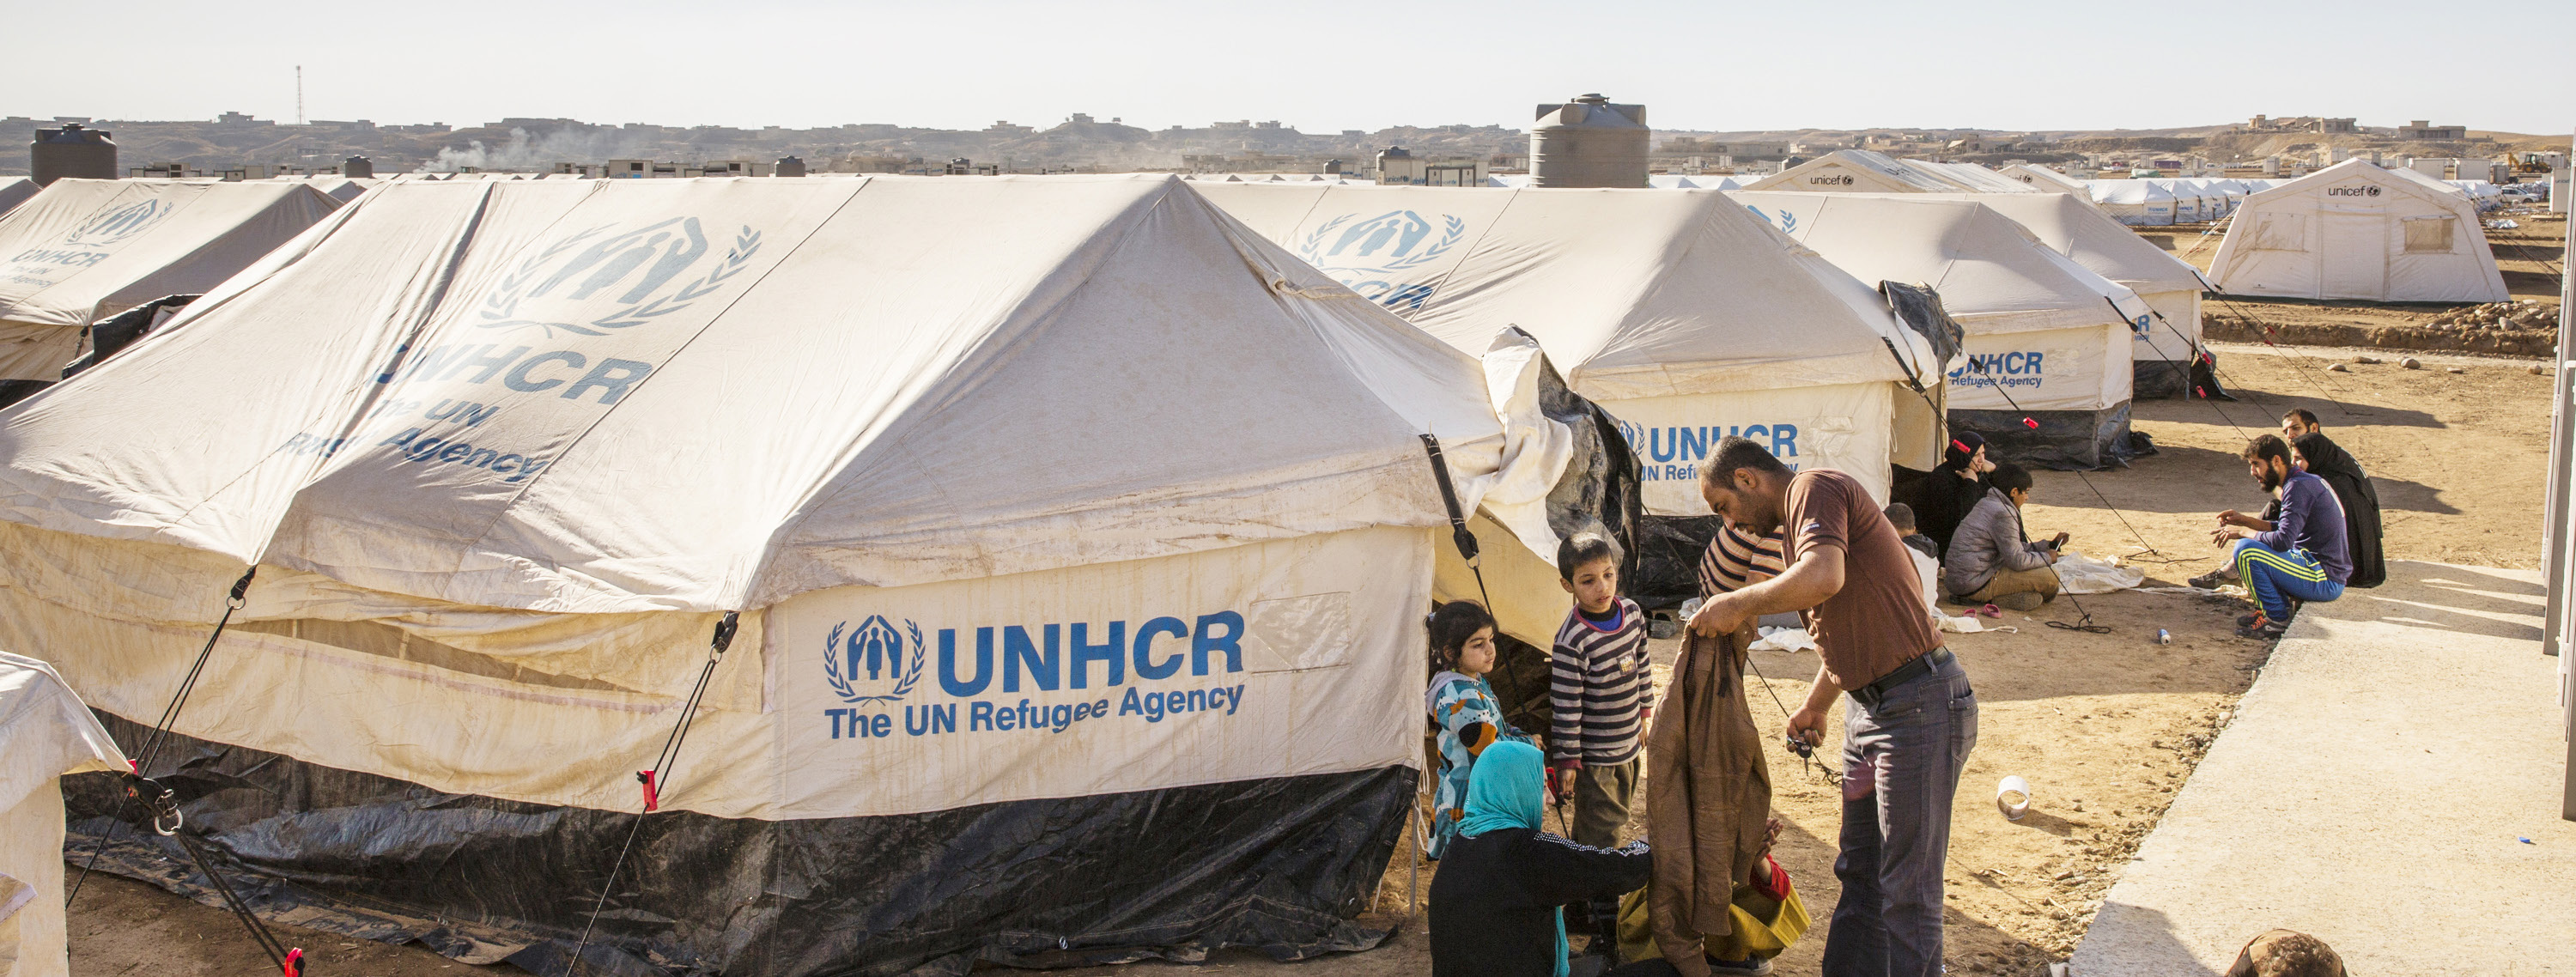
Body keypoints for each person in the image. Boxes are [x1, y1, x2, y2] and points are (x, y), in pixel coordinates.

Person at [1687, 437, 1974, 977]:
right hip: (1875, 711)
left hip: (1918, 707)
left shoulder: (1812, 489)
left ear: (1748, 479)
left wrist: (1737, 601)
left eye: (1724, 506)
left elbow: (1824, 578)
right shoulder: (1801, 526)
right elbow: (1855, 620)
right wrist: (1817, 706)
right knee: (1861, 873)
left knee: (1907, 892)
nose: (1731, 525)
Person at [1428, 740, 1657, 977]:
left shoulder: (1459, 844)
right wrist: (1646, 846)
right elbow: (1614, 869)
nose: (1550, 799)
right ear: (1516, 788)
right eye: (1541, 787)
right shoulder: (1526, 851)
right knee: (1662, 971)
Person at [1550, 533, 1652, 851]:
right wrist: (1568, 760)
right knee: (1604, 832)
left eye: (1608, 575)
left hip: (1629, 747)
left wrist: (1644, 716)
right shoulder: (1572, 640)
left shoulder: (1633, 614)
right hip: (1595, 760)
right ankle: (1602, 899)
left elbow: (1643, 668)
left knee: (1597, 825)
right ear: (1568, 586)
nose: (1603, 587)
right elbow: (1566, 707)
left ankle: (1582, 894)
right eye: (1588, 581)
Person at [1426, 600, 1539, 859]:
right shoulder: (1458, 693)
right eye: (1478, 644)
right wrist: (1528, 744)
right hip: (1468, 798)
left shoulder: (1474, 682)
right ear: (1451, 653)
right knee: (1469, 868)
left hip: (1480, 790)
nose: (1490, 650)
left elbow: (1495, 724)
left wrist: (1519, 736)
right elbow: (1488, 747)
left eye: (1491, 640)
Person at [2213, 435, 2350, 640]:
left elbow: (2282, 541)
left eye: (2256, 464)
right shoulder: (2302, 481)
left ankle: (2276, 619)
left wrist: (2243, 532)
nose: (2252, 472)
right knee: (2250, 545)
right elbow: (2285, 529)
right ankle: (2273, 610)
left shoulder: (2298, 487)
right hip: (2320, 571)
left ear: (2276, 461)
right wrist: (2244, 520)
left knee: (2246, 550)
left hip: (2325, 579)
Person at [1940, 463, 2068, 612]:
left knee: (2041, 575)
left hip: (1962, 580)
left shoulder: (1988, 503)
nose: (2027, 498)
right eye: (2026, 492)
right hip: (1974, 583)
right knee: (2051, 577)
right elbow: (2017, 560)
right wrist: (2047, 558)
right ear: (2014, 492)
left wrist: (2051, 545)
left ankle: (1998, 596)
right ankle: (1991, 598)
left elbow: (2014, 547)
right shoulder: (2003, 513)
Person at [2291, 431, 2385, 589]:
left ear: (2316, 457)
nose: (2293, 463)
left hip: (2343, 569)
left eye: (2299, 458)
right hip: (2365, 565)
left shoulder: (2327, 484)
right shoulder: (2342, 472)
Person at [1912, 433, 1995, 558]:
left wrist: (1995, 470)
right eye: (1976, 454)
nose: (1981, 460)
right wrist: (1970, 484)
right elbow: (1959, 518)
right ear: (1964, 455)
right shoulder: (1942, 477)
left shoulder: (1974, 472)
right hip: (1945, 548)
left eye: (1983, 453)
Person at [1885, 503, 1942, 622]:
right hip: (1927, 610)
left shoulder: (1894, 551)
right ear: (1914, 529)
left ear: (1887, 526)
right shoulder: (1931, 553)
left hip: (1904, 616)